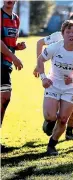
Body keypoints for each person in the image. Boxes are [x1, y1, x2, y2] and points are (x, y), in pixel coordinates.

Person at [36, 20, 73, 155]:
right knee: (50, 116)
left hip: (70, 88)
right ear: (63, 34)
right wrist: (43, 78)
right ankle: (49, 121)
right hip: (53, 85)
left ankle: (52, 145)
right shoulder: (54, 47)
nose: (71, 35)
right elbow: (40, 60)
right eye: (68, 32)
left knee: (64, 119)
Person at [1, 0, 26, 152]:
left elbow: (9, 41)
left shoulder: (16, 18)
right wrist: (15, 57)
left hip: (6, 64)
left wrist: (17, 46)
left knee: (4, 99)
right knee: (4, 97)